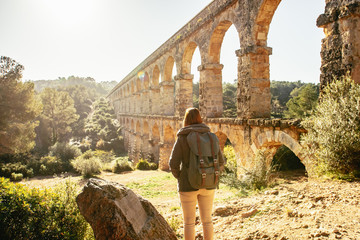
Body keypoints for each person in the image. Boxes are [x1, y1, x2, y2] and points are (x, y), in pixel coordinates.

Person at [169, 107, 224, 240]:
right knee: (207, 220)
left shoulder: (182, 137)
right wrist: (211, 173)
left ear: (186, 120)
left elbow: (173, 163)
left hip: (188, 185)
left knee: (188, 222)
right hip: (209, 183)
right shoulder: (211, 136)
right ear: (200, 118)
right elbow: (221, 162)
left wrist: (182, 176)